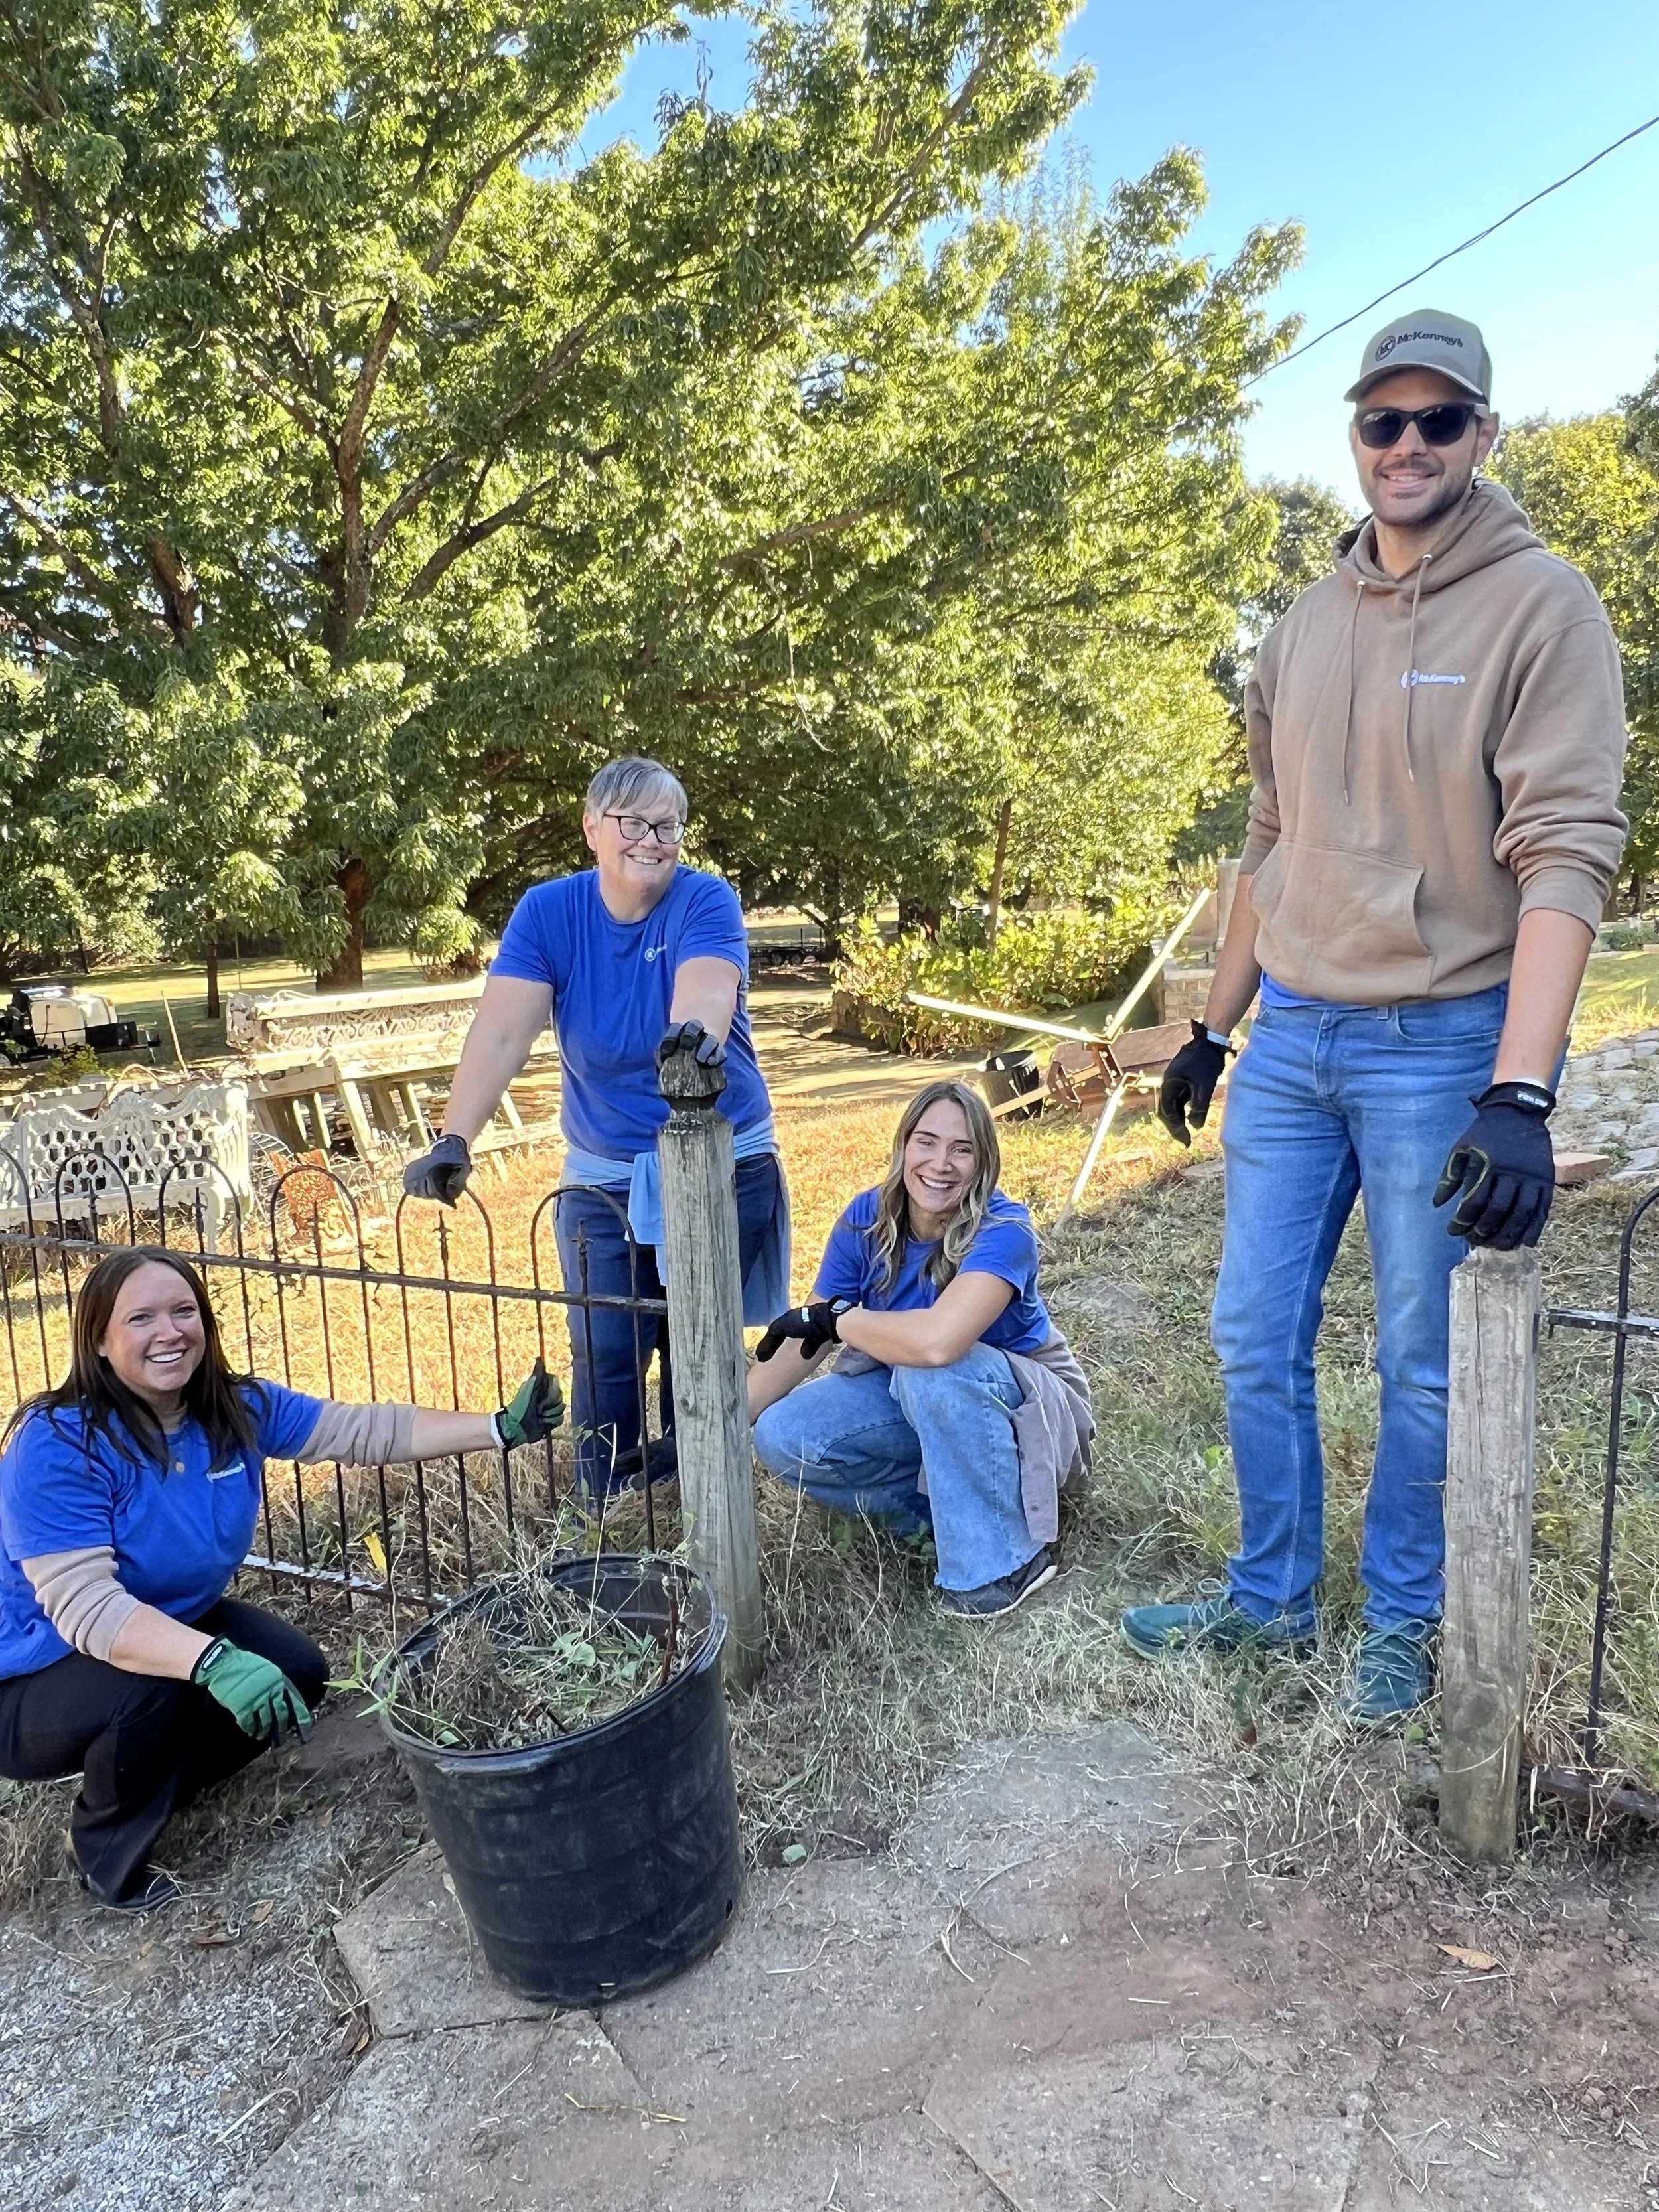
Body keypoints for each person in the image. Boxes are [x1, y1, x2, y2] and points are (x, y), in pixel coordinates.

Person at [1131, 309, 1628, 1722]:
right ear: (1352, 438)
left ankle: (1400, 1620)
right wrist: (1213, 1026)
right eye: (1379, 422)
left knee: (1417, 1358)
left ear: (1481, 435)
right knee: (1248, 1333)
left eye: (1436, 421)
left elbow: (1564, 854)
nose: (1404, 446)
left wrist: (1519, 1092)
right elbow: (1268, 837)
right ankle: (1269, 1598)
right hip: (1289, 1037)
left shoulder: (1543, 607)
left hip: (1438, 1046)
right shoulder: (1298, 625)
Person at [0, 1246, 563, 1914]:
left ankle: (149, 1779)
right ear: (98, 1338)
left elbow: (361, 1430)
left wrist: (496, 1428)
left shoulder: (229, 1409)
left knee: (296, 1670)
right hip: (32, 1674)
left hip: (156, 1626)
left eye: (184, 1312)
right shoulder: (61, 1441)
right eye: (141, 1318)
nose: (170, 1332)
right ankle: (104, 1855)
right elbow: (88, 1613)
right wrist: (210, 1661)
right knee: (153, 1690)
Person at [403, 757, 789, 1490]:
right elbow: (500, 1036)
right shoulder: (549, 913)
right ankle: (606, 1497)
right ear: (591, 829)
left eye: (667, 825)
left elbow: (706, 988)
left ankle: (697, 1490)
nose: (652, 839)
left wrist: (691, 1044)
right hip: (604, 1167)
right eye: (634, 823)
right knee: (605, 1342)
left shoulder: (704, 900)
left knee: (696, 1341)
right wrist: (454, 1137)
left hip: (719, 1155)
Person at [748, 1082, 1093, 1618]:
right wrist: (709, 1430)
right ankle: (943, 1518)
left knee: (927, 1371)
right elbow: (809, 1338)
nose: (941, 1163)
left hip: (1032, 1410)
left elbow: (937, 1344)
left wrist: (842, 1319)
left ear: (984, 1161)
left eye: (962, 1148)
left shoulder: (1005, 1230)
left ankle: (1005, 1560)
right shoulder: (868, 1218)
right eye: (927, 1142)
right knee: (783, 1434)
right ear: (903, 1146)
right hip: (921, 1392)